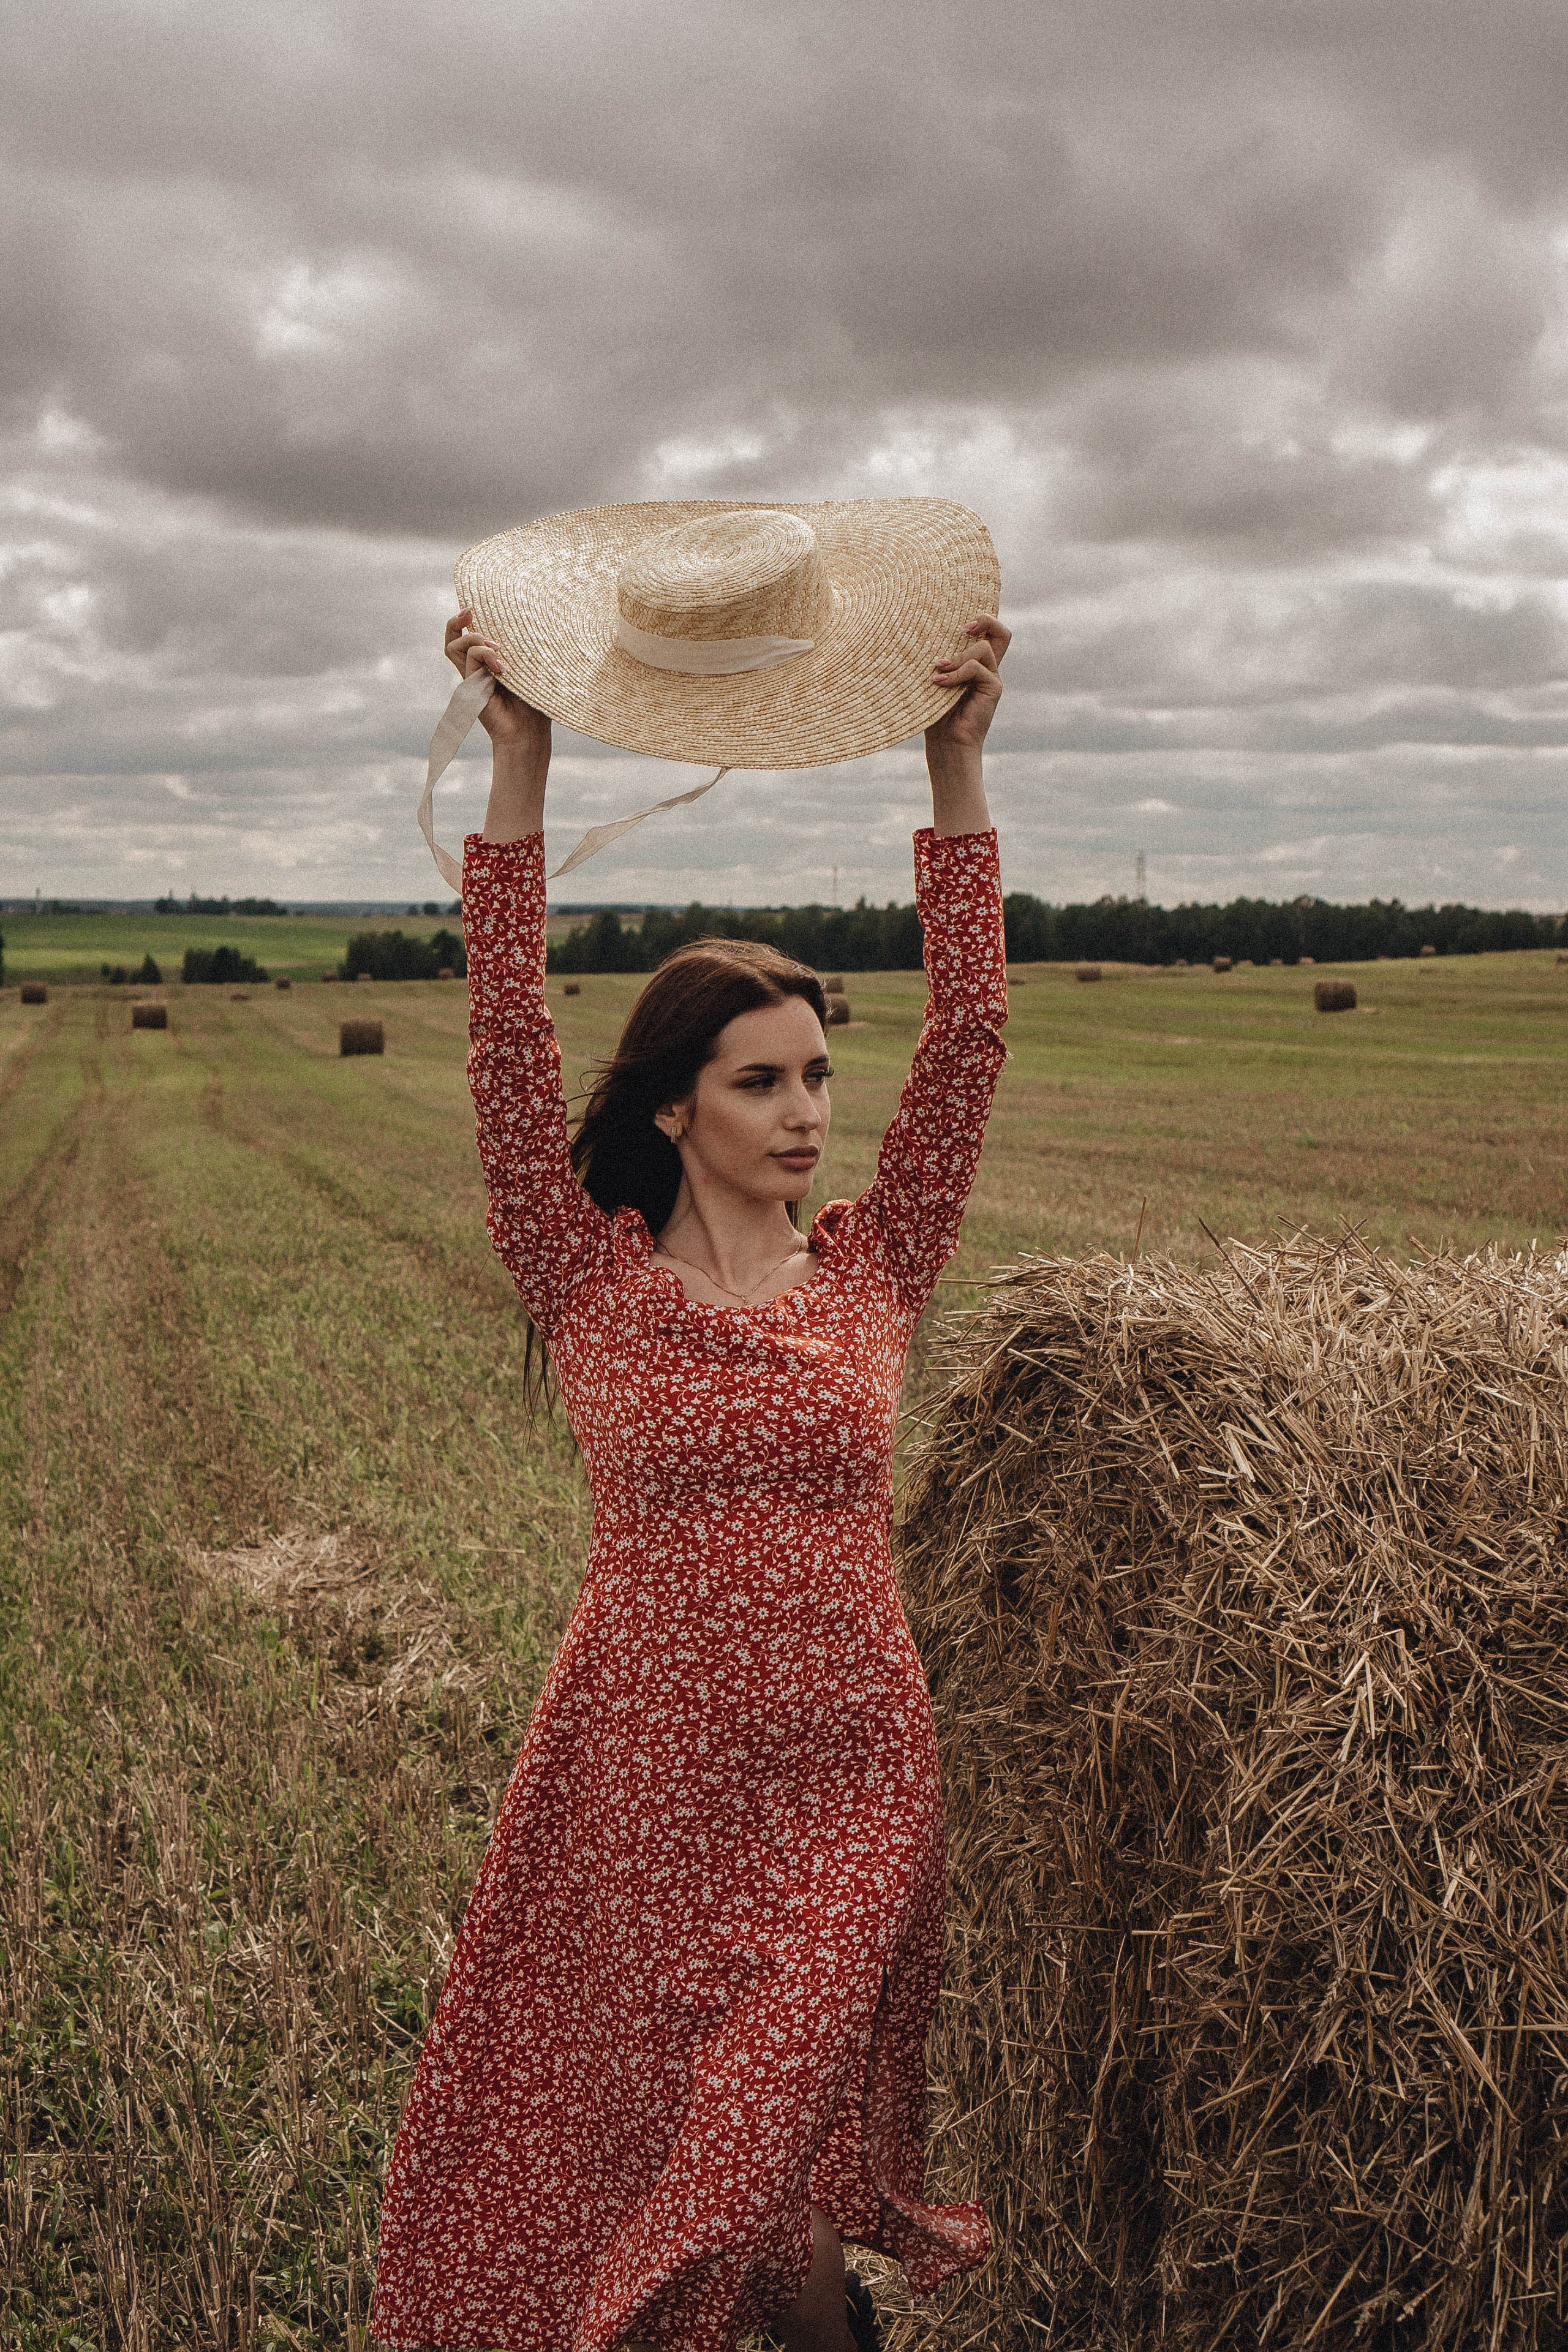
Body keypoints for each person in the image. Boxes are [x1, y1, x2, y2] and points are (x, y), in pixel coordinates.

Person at [372, 578, 1009, 2352]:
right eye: (763, 1082)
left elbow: (965, 1049)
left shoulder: (874, 1266)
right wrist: (520, 775)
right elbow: (506, 1055)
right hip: (642, 1781)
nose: (811, 1111)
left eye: (818, 1076)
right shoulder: (587, 1281)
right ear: (677, 1107)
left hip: (851, 1783)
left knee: (733, 2184)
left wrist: (956, 781)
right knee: (717, 2208)